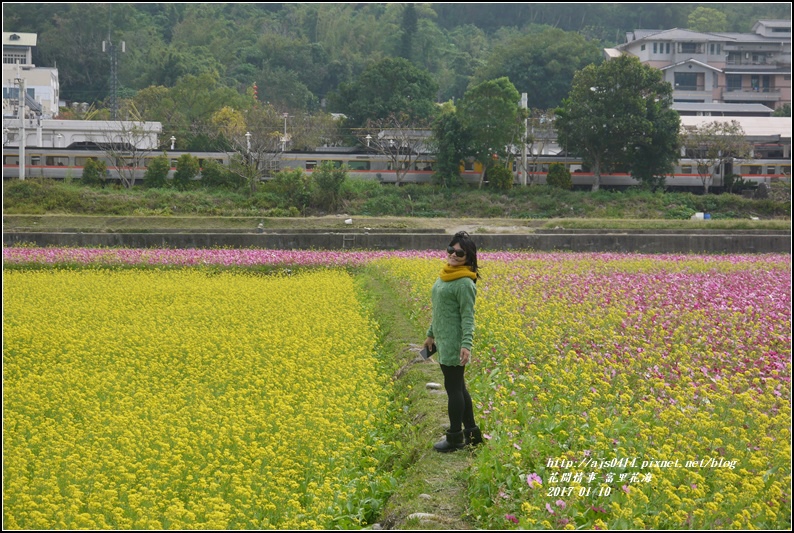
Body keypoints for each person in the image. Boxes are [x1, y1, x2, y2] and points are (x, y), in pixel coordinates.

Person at [423, 231, 483, 452]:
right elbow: (439, 310)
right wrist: (430, 334)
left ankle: (455, 437)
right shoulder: (445, 276)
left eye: (460, 253)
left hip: (455, 343)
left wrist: (466, 344)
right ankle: (473, 435)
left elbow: (468, 317)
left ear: (469, 258)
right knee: (459, 388)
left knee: (453, 389)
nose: (454, 255)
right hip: (444, 340)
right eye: (451, 249)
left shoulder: (465, 282)